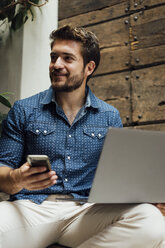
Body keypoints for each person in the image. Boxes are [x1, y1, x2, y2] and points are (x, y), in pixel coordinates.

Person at [0, 25, 165, 248]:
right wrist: (17, 178)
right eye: (53, 57)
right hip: (32, 208)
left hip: (86, 212)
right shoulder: (24, 110)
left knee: (152, 220)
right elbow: (3, 171)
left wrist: (149, 197)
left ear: (89, 67)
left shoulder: (109, 116)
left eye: (67, 58)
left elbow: (121, 180)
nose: (56, 65)